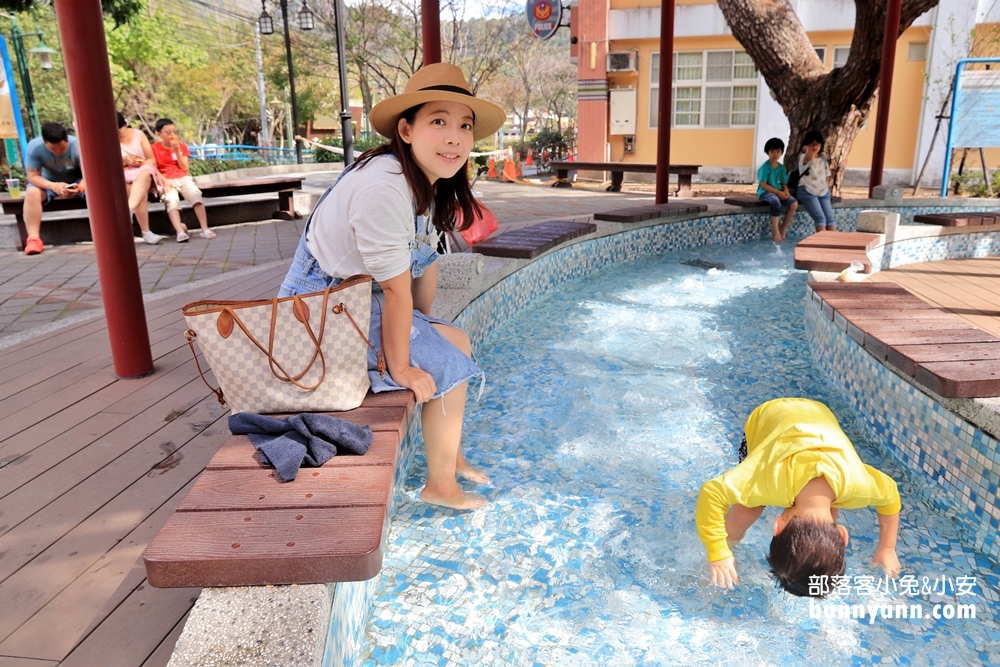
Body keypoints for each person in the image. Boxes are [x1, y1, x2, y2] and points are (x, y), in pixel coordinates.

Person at [278, 63, 506, 511]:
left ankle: (448, 451)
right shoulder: (385, 187)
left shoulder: (428, 182)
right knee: (447, 366)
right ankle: (439, 487)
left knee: (455, 339)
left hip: (359, 298)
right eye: (438, 121)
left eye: (464, 125)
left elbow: (423, 268)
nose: (455, 137)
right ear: (406, 128)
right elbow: (399, 293)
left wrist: (424, 326)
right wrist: (402, 368)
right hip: (318, 314)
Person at [696, 398, 901, 597]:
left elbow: (890, 494)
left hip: (819, 415)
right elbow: (711, 492)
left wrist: (887, 547)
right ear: (777, 526)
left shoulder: (857, 485)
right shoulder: (765, 480)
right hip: (769, 416)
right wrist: (719, 553)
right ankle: (726, 552)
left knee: (824, 506)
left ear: (843, 535)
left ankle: (725, 551)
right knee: (748, 508)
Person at [21, 122, 85, 255]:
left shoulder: (78, 145)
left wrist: (79, 188)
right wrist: (54, 186)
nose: (58, 152)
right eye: (53, 149)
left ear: (67, 139)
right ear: (44, 142)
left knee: (98, 191)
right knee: (31, 192)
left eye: (62, 147)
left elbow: (90, 174)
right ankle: (34, 239)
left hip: (78, 180)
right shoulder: (34, 146)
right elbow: (33, 176)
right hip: (48, 182)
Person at [151, 118, 215, 242]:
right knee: (171, 200)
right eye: (168, 132)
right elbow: (153, 168)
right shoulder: (153, 148)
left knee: (195, 194)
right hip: (166, 178)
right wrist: (164, 180)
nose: (172, 135)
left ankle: (205, 229)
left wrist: (177, 152)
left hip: (182, 176)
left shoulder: (181, 146)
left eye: (174, 131)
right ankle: (179, 232)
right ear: (159, 134)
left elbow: (184, 167)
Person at [118, 112, 164, 245]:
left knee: (143, 175)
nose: (118, 134)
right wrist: (124, 161)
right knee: (137, 191)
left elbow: (151, 160)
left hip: (143, 171)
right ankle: (146, 231)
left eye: (120, 131)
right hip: (125, 173)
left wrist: (140, 162)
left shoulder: (139, 135)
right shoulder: (108, 139)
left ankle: (128, 209)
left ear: (125, 125)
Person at [756, 137, 798, 243]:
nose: (775, 154)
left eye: (778, 151)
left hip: (778, 191)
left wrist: (786, 192)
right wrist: (778, 192)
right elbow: (764, 185)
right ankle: (775, 232)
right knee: (775, 202)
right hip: (765, 192)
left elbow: (784, 183)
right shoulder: (765, 167)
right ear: (767, 152)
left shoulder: (782, 168)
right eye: (772, 151)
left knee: (794, 204)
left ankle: (783, 227)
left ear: (782, 152)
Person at [796, 130, 836, 232]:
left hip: (823, 191)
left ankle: (833, 244)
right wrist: (806, 149)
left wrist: (828, 190)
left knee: (830, 219)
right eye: (811, 144)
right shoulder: (803, 157)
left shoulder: (823, 159)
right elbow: (809, 157)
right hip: (807, 190)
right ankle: (822, 244)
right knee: (820, 218)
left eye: (817, 144)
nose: (814, 147)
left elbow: (826, 176)